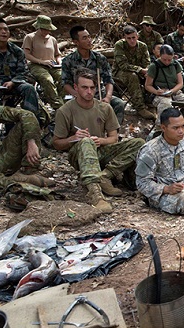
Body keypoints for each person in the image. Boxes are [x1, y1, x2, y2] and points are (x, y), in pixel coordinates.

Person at [53, 68, 145, 212]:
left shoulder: (104, 108)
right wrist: (73, 138)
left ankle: (105, 175)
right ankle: (96, 194)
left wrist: (101, 141)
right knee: (86, 142)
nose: (89, 91)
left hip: (101, 150)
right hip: (79, 154)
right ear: (76, 88)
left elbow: (114, 138)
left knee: (139, 143)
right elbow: (57, 143)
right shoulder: (65, 111)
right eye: (84, 87)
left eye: (92, 88)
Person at [61, 25, 126, 125]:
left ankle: (113, 133)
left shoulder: (100, 58)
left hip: (99, 94)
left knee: (119, 104)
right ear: (76, 42)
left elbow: (108, 80)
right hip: (79, 96)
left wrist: (108, 97)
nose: (89, 40)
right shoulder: (68, 61)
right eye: (84, 38)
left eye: (89, 37)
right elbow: (65, 83)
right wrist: (77, 95)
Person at [0, 17, 45, 125]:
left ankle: (30, 124)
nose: (4, 32)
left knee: (29, 89)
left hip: (14, 83)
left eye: (6, 29)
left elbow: (23, 72)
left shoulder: (17, 51)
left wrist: (13, 82)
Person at [0, 104, 53, 188]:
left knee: (27, 123)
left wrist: (31, 141)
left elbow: (27, 115)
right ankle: (16, 180)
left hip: (2, 155)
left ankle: (29, 170)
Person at [144, 45, 184, 126]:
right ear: (160, 56)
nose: (167, 62)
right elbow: (147, 85)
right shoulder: (154, 66)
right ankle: (160, 128)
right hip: (160, 95)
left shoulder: (175, 64)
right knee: (166, 106)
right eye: (164, 59)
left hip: (176, 93)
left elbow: (180, 83)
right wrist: (156, 91)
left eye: (169, 59)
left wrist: (172, 91)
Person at [113, 25, 156, 120]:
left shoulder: (143, 46)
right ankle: (140, 108)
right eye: (129, 38)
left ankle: (150, 101)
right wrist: (140, 70)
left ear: (137, 36)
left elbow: (147, 63)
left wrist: (146, 70)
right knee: (132, 76)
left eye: (133, 37)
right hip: (120, 73)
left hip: (139, 72)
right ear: (124, 38)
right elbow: (123, 65)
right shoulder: (119, 45)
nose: (132, 40)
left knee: (151, 75)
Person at [22, 15, 64, 111]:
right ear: (39, 28)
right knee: (47, 79)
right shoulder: (30, 37)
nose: (47, 32)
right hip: (36, 65)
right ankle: (57, 105)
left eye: (49, 30)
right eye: (45, 29)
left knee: (63, 78)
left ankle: (64, 101)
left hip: (52, 65)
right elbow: (27, 55)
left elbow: (57, 54)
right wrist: (41, 61)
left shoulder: (52, 39)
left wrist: (59, 62)